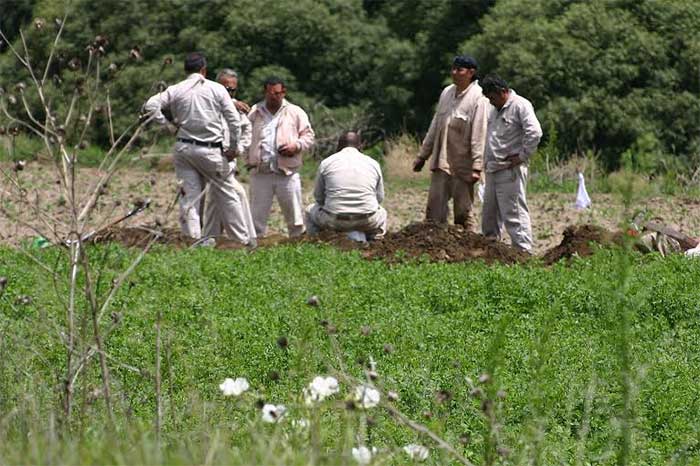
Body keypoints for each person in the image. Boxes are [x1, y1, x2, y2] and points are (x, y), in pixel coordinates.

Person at [143, 52, 254, 246]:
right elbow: (234, 121)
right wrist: (234, 148)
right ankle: (241, 241)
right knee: (228, 196)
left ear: (186, 70)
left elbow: (151, 104)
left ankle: (192, 243)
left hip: (184, 149)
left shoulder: (177, 89)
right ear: (204, 70)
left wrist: (167, 125)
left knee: (190, 199)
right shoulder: (216, 89)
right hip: (212, 151)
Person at [413, 55, 489, 231]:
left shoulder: (479, 98)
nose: (454, 73)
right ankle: (434, 247)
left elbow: (479, 134)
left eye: (459, 70)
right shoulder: (447, 92)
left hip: (463, 164)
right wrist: (423, 155)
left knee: (463, 213)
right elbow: (435, 124)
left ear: (471, 73)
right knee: (434, 211)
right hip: (441, 161)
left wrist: (477, 166)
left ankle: (467, 249)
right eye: (453, 69)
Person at [245, 77, 315, 237]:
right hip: (260, 173)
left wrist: (295, 146)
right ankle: (254, 248)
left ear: (283, 93)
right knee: (256, 217)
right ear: (265, 92)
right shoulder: (255, 112)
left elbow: (308, 136)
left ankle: (297, 245)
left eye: (277, 93)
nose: (273, 96)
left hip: (287, 173)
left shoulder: (295, 111)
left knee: (295, 217)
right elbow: (245, 136)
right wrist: (248, 158)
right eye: (270, 93)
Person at [480, 74, 542, 252]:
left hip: (510, 170)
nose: (490, 102)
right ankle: (490, 252)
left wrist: (522, 156)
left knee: (514, 214)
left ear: (502, 92)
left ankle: (523, 252)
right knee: (489, 217)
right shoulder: (494, 110)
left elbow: (535, 132)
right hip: (492, 169)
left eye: (492, 97)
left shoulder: (520, 105)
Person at [202, 68, 256, 242]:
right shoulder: (207, 103)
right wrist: (231, 103)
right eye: (226, 89)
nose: (230, 93)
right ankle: (246, 239)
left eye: (233, 90)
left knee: (215, 203)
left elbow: (246, 128)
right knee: (237, 194)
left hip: (227, 163)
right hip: (210, 160)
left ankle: (209, 240)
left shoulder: (236, 109)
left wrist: (238, 149)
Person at [305, 131, 387, 240]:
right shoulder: (373, 164)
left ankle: (316, 241)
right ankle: (376, 241)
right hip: (367, 221)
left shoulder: (327, 163)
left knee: (309, 210)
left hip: (334, 221)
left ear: (338, 146)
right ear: (360, 146)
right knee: (382, 212)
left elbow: (319, 197)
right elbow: (379, 198)